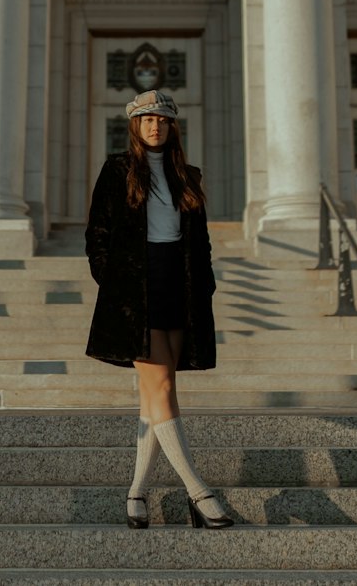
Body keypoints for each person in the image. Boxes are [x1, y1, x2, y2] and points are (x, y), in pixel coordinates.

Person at [85, 89, 233, 530]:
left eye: (162, 120)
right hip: (135, 286)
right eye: (147, 119)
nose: (155, 126)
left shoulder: (187, 175)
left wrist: (204, 285)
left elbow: (200, 241)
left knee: (155, 398)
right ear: (135, 125)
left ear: (172, 127)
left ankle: (136, 494)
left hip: (178, 285)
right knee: (161, 386)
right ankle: (198, 491)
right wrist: (113, 284)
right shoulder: (116, 170)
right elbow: (98, 234)